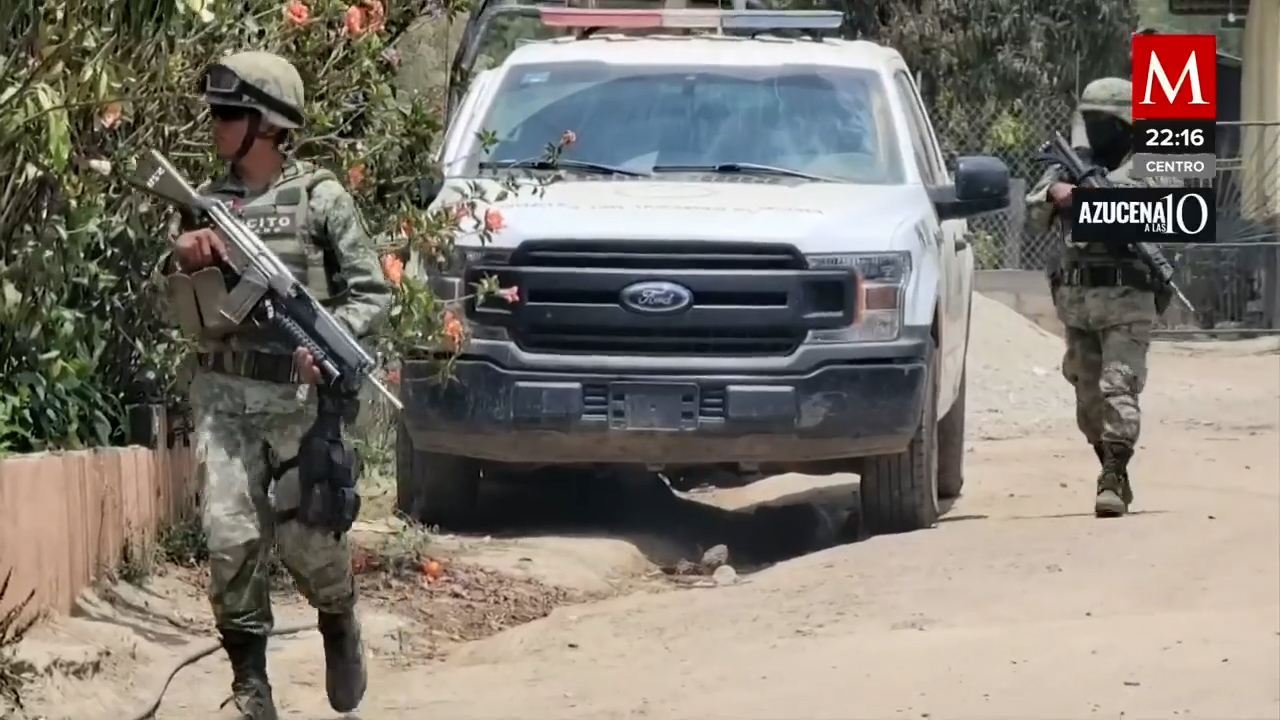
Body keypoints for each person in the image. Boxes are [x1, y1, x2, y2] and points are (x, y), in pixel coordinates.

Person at [159, 51, 392, 719]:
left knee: (308, 543)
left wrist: (328, 346)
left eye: (227, 114)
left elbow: (369, 292)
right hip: (223, 397)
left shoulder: (320, 198)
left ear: (266, 125)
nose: (214, 124)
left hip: (297, 400)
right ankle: (250, 689)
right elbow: (175, 297)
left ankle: (339, 620)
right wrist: (182, 255)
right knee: (230, 539)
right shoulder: (205, 204)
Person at [1025, 77, 1175, 518]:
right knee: (1088, 399)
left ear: (1127, 125)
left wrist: (1094, 197)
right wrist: (1059, 195)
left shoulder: (1151, 164)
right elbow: (1035, 215)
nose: (1094, 129)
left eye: (1103, 121)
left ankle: (1111, 476)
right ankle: (1112, 465)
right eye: (1088, 120)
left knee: (1119, 386)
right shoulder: (1070, 164)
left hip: (1129, 298)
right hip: (1079, 301)